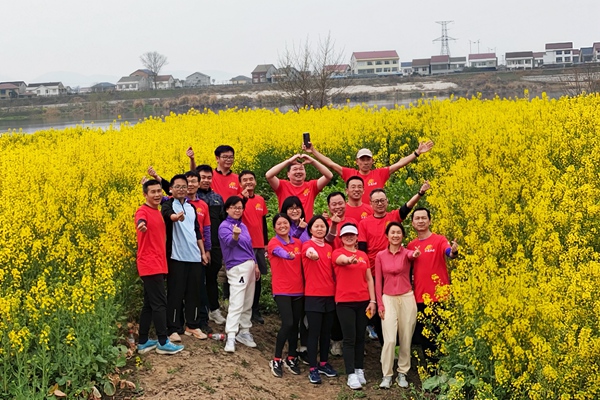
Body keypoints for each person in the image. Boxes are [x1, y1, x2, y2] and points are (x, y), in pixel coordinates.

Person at [358, 182, 430, 344]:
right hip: (375, 272)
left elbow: (407, 207)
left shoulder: (393, 217)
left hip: (397, 271)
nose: (379, 203)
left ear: (387, 201)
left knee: (399, 310)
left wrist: (420, 193)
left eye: (382, 200)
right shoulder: (364, 223)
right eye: (376, 201)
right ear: (371, 204)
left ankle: (399, 344)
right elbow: (362, 249)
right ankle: (384, 343)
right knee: (380, 310)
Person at [134, 179, 184, 355]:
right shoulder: (143, 211)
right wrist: (141, 225)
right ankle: (163, 341)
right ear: (145, 194)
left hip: (158, 263)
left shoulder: (158, 210)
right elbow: (140, 219)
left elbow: (172, 195)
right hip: (150, 264)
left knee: (149, 304)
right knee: (160, 303)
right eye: (152, 192)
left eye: (158, 191)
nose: (156, 194)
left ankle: (143, 341)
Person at [407, 207, 458, 364]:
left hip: (440, 297)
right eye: (417, 218)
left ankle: (444, 369)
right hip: (420, 298)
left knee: (442, 335)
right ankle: (431, 370)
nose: (421, 221)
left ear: (429, 221)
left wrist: (454, 251)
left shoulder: (439, 240)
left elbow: (449, 252)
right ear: (413, 223)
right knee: (426, 337)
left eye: (424, 218)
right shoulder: (411, 245)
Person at [305, 140, 434, 203]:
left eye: (368, 159)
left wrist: (417, 153)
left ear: (372, 161)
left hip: (376, 215)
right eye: (362, 160)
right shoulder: (350, 174)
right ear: (357, 162)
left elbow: (399, 164)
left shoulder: (380, 174)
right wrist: (313, 151)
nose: (365, 162)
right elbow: (331, 164)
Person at [161, 175, 209, 342]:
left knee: (194, 293)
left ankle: (192, 325)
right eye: (178, 187)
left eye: (184, 186)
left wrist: (202, 252)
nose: (181, 189)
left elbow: (197, 232)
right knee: (175, 293)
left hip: (194, 256)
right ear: (171, 189)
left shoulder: (191, 207)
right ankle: (173, 328)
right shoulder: (168, 204)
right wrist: (176, 217)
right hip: (176, 256)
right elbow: (168, 215)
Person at [375, 222, 421, 389]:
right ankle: (387, 375)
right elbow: (378, 282)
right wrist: (380, 304)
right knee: (390, 339)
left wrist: (415, 253)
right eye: (392, 232)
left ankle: (402, 372)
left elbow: (412, 255)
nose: (395, 235)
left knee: (406, 337)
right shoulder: (380, 256)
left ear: (403, 236)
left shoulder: (406, 253)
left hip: (407, 298)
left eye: (398, 233)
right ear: (387, 236)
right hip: (388, 298)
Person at [332, 223, 377, 390]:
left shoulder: (363, 255)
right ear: (341, 238)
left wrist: (373, 300)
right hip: (345, 302)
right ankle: (350, 373)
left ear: (357, 237)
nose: (349, 237)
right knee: (349, 338)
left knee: (360, 337)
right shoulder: (337, 253)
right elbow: (340, 261)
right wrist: (348, 260)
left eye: (352, 235)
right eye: (346, 235)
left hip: (363, 301)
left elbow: (369, 279)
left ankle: (359, 369)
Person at [218, 196, 260, 353]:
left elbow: (249, 247)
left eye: (240, 207)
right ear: (227, 209)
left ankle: (244, 331)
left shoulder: (243, 226)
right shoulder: (224, 226)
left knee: (248, 300)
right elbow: (229, 243)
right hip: (237, 266)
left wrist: (255, 264)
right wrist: (235, 235)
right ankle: (231, 335)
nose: (237, 210)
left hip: (249, 265)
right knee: (237, 301)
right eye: (234, 207)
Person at [302, 216, 338, 384]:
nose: (319, 229)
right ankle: (312, 368)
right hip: (313, 295)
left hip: (330, 295)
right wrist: (313, 255)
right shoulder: (307, 245)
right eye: (316, 226)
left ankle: (323, 363)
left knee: (326, 332)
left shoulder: (330, 248)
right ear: (310, 229)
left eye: (322, 226)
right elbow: (310, 253)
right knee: (314, 333)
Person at [267, 214, 304, 378]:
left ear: (290, 225)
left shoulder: (297, 242)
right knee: (287, 323)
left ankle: (291, 357)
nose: (282, 226)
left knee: (295, 324)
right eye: (279, 224)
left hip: (298, 289)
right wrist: (287, 255)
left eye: (285, 223)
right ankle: (276, 359)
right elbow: (279, 251)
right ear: (274, 227)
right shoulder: (273, 243)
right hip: (282, 290)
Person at [195, 165, 228, 326]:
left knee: (212, 278)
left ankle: (214, 309)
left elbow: (223, 221)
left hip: (215, 245)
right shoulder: (191, 198)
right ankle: (199, 311)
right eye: (203, 177)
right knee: (197, 280)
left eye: (209, 177)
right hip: (195, 245)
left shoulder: (217, 198)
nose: (206, 180)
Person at [238, 170, 269, 324]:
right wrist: (242, 199)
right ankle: (241, 308)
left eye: (251, 179)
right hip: (244, 246)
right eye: (245, 180)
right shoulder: (237, 201)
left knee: (257, 279)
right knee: (243, 278)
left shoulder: (260, 200)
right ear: (240, 183)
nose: (248, 182)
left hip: (259, 245)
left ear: (255, 182)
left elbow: (263, 223)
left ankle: (255, 310)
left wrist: (266, 243)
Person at [266, 153, 333, 220]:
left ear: (305, 173)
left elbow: (329, 176)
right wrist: (288, 161)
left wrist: (313, 161)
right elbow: (269, 175)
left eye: (301, 169)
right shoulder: (282, 185)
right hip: (286, 225)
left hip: (306, 225)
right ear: (288, 174)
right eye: (295, 169)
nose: (298, 172)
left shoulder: (312, 186)